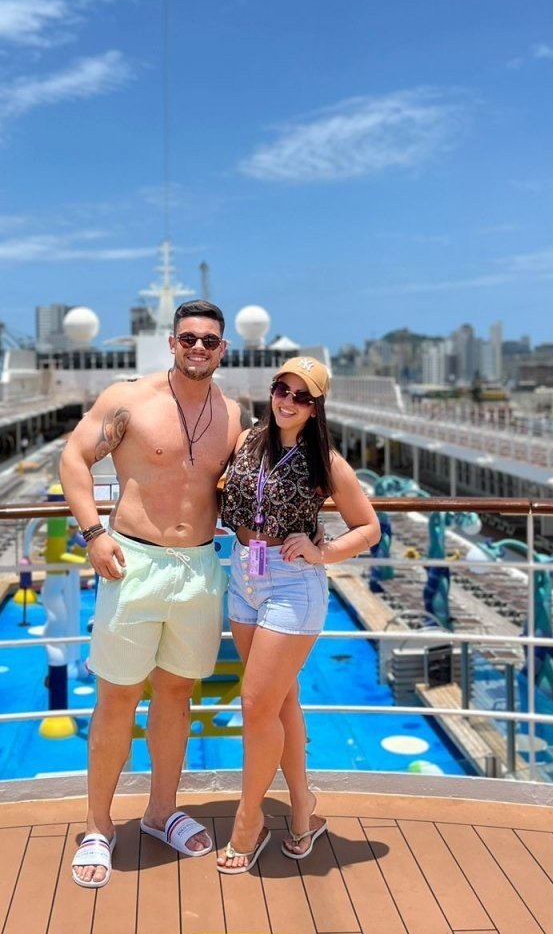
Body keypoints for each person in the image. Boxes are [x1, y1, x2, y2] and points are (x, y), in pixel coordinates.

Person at [59, 299, 244, 889]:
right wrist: (93, 534)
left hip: (199, 567)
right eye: (189, 338)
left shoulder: (231, 414)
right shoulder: (128, 400)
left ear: (222, 349)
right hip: (131, 563)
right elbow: (73, 458)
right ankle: (97, 826)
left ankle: (162, 812)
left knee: (176, 694)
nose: (198, 348)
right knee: (116, 697)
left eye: (209, 340)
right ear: (172, 343)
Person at [215, 356, 380, 874]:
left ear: (316, 407)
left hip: (291, 585)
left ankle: (249, 822)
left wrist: (320, 551)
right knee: (280, 702)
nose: (288, 401)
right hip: (243, 573)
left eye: (302, 396)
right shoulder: (248, 441)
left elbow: (368, 528)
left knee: (254, 705)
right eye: (282, 389)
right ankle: (303, 807)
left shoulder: (325, 462)